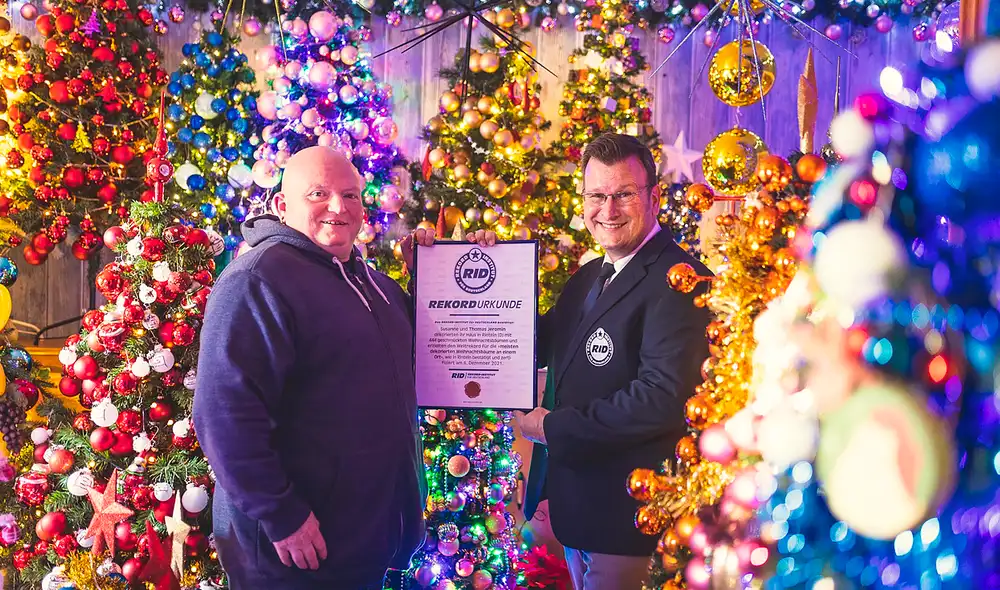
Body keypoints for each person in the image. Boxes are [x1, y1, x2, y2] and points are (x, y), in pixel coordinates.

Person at [193, 146, 427, 589]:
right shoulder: (257, 279)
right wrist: (283, 515)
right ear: (282, 205)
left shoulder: (375, 285)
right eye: (318, 193)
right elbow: (224, 415)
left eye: (351, 195)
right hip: (294, 548)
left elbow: (431, 355)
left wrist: (440, 272)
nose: (338, 207)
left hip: (363, 536)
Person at [517, 133, 712, 589]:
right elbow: (535, 343)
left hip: (630, 521)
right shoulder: (589, 275)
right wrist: (478, 268)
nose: (608, 210)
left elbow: (661, 398)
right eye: (596, 196)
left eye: (624, 194)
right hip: (581, 515)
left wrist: (553, 427)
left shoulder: (681, 280)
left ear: (654, 198)